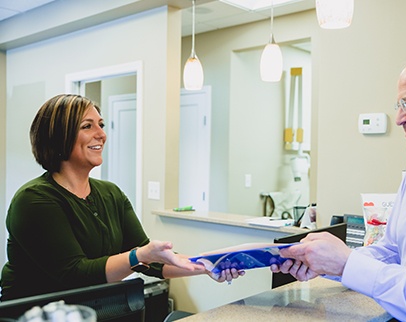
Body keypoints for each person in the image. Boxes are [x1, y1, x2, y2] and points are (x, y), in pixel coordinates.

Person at [271, 48, 406, 321]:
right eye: (399, 106)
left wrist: (348, 263)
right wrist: (329, 263)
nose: (399, 119)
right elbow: (392, 252)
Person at [0, 94, 243, 301]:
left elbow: (153, 262)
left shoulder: (111, 193)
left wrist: (209, 265)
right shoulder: (33, 200)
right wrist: (140, 255)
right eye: (87, 126)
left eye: (101, 125)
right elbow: (76, 275)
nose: (101, 135)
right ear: (58, 137)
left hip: (92, 310)